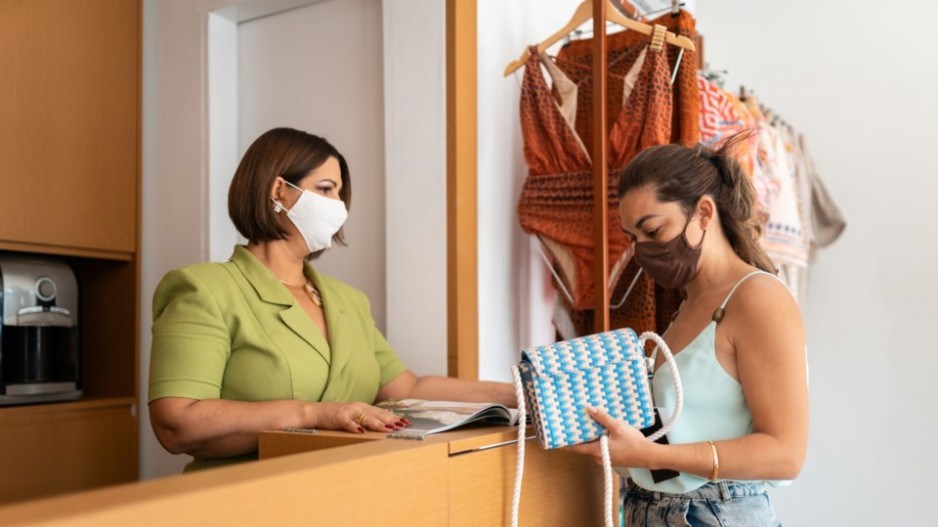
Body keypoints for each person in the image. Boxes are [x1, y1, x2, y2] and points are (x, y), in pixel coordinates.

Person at [148, 127, 514, 471]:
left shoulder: (348, 300)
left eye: (340, 194)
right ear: (278, 190)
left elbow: (408, 389)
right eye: (325, 189)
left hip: (349, 495)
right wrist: (313, 414)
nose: (339, 206)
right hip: (245, 503)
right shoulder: (203, 289)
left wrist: (518, 393)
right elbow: (177, 423)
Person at [567, 133, 808, 526]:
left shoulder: (758, 299)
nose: (642, 249)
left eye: (653, 230)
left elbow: (786, 455)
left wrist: (652, 457)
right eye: (633, 237)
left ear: (704, 214)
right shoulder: (689, 306)